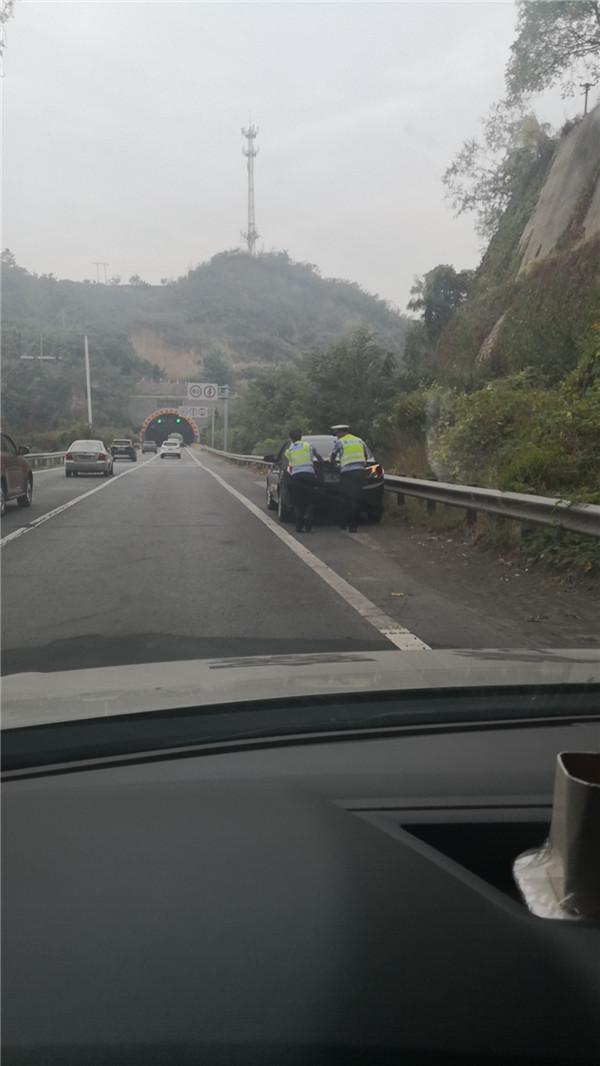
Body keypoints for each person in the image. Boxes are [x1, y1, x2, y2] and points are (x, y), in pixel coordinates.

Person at [330, 423, 368, 532]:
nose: (336, 435)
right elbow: (365, 455)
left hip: (347, 473)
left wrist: (334, 466)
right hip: (360, 472)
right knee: (356, 498)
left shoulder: (340, 442)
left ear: (341, 432)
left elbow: (333, 456)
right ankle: (354, 525)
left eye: (336, 433)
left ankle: (343, 523)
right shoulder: (359, 440)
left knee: (345, 498)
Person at [284, 429, 319, 532]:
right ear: (301, 436)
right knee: (310, 500)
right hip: (309, 475)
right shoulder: (308, 445)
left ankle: (299, 526)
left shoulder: (289, 450)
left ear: (290, 438)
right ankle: (308, 516)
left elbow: (289, 464)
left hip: (296, 476)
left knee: (297, 502)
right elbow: (317, 457)